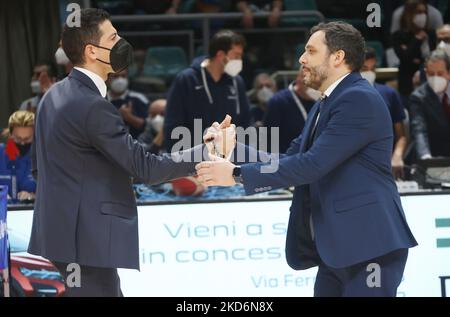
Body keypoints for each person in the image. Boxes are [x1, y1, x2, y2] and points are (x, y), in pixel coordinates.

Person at [196, 22, 418, 297]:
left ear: (337, 57)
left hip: (369, 247)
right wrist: (233, 148)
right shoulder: (327, 102)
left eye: (310, 51)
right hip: (336, 250)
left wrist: (236, 174)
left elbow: (311, 165)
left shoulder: (358, 99)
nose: (302, 59)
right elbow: (290, 159)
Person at [27, 8, 207, 297]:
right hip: (85, 241)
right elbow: (146, 168)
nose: (121, 42)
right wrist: (206, 152)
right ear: (92, 51)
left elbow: (38, 167)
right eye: (113, 37)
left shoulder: (53, 95)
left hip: (63, 236)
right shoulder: (91, 105)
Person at [164, 29, 250, 152]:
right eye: (236, 56)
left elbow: (245, 123)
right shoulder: (186, 80)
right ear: (220, 55)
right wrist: (179, 160)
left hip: (228, 160)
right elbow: (173, 124)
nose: (240, 61)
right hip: (192, 161)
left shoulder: (237, 82)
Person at [360, 48, 408, 179]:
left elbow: (401, 136)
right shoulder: (343, 96)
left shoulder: (389, 94)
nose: (369, 73)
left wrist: (397, 156)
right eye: (364, 68)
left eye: (373, 68)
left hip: (384, 164)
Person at [263, 68, 319, 153]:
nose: (316, 89)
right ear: (299, 80)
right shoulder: (278, 101)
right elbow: (269, 139)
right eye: (313, 84)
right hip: (285, 158)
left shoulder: (318, 101)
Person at [392, 0, 437, 99]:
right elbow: (405, 58)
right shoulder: (399, 36)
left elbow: (435, 57)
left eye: (425, 13)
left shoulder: (431, 34)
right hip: (407, 84)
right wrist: (417, 40)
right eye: (419, 12)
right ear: (409, 14)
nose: (423, 16)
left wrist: (416, 60)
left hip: (430, 83)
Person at [410, 50, 450, 159]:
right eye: (431, 74)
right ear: (426, 73)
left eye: (440, 74)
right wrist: (425, 156)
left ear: (449, 73)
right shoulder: (418, 97)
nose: (435, 77)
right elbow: (419, 130)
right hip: (433, 156)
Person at [0, 111, 36, 203]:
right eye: (18, 138)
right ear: (11, 134)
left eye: (27, 139)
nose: (22, 143)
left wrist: (33, 196)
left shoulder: (42, 157)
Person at [107, 68, 149, 139]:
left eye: (123, 76)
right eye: (116, 76)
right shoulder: (101, 99)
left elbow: (148, 127)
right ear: (107, 79)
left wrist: (129, 117)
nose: (120, 80)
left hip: (136, 145)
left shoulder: (139, 99)